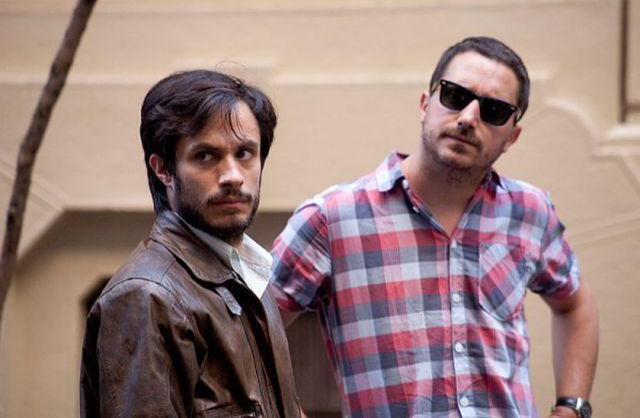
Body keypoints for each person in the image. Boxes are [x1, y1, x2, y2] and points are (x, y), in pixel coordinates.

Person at [270, 37, 598, 417]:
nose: (468, 118)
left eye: (493, 110)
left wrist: (572, 407)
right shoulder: (332, 218)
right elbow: (246, 330)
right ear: (425, 104)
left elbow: (575, 304)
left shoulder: (530, 211)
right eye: (456, 96)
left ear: (512, 136)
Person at [80, 70, 301, 417]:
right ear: (163, 169)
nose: (233, 176)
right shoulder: (147, 297)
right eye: (206, 156)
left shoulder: (250, 274)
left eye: (245, 153)